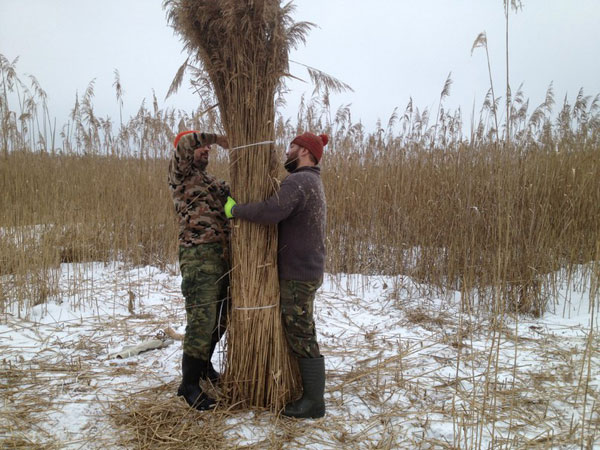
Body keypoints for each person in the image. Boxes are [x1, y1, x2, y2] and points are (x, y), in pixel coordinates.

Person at [224, 132, 328, 419]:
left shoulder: (300, 181)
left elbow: (272, 211)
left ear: (305, 152)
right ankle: (311, 395)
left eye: (292, 147)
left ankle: (314, 402)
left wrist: (236, 210)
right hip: (305, 269)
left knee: (301, 331)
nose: (287, 152)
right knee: (300, 328)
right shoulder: (312, 181)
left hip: (299, 272)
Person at [168, 130, 230, 411]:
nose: (206, 150)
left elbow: (231, 205)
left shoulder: (211, 181)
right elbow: (183, 142)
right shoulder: (181, 173)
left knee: (221, 320)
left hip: (222, 258)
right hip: (198, 257)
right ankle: (189, 385)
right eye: (201, 147)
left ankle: (204, 366)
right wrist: (216, 138)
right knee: (202, 321)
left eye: (208, 148)